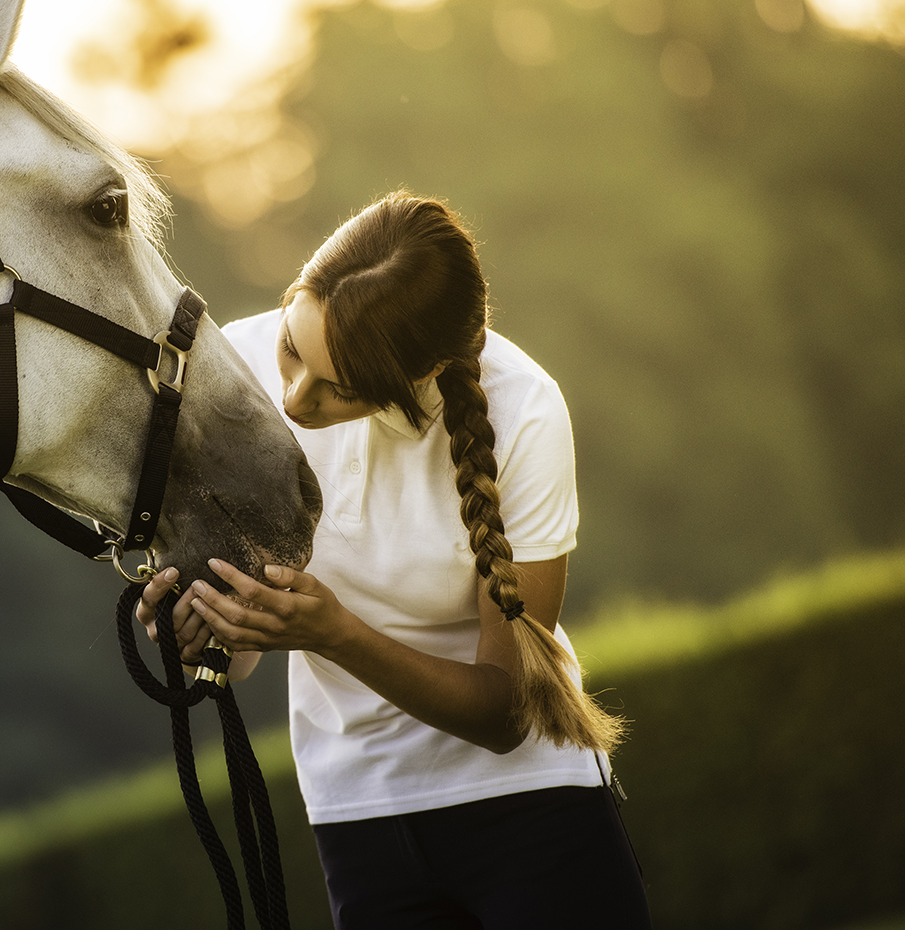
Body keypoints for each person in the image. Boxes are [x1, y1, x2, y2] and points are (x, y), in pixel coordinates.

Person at [138, 191, 651, 929]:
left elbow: (507, 713)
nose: (291, 398)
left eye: (338, 389)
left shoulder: (524, 411)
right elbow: (243, 652)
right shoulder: (232, 373)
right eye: (291, 345)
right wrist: (209, 629)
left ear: (426, 374)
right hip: (356, 813)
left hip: (530, 810)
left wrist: (335, 633)